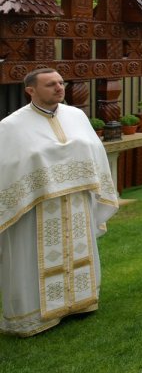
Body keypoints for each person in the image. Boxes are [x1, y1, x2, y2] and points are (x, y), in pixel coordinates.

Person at [0, 68, 118, 336]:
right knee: (31, 257)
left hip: (77, 201)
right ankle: (33, 316)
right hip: (35, 206)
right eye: (50, 84)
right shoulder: (11, 126)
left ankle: (79, 302)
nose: (59, 88)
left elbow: (95, 151)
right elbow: (7, 167)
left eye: (61, 83)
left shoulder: (76, 116)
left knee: (80, 249)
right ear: (30, 90)